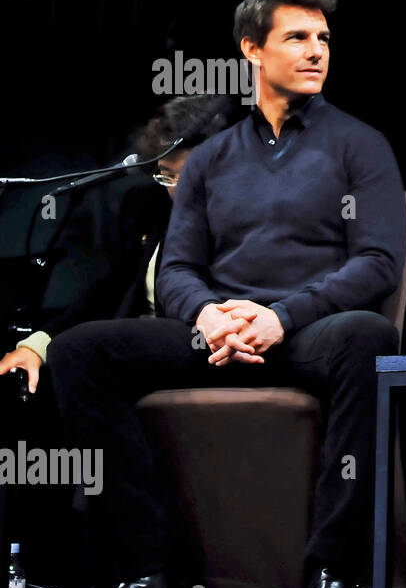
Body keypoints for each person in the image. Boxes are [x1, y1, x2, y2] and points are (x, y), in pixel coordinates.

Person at [46, 0, 406, 588]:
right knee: (78, 352)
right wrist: (210, 315)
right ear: (252, 51)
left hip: (307, 334)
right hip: (219, 335)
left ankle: (331, 573)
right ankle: (145, 573)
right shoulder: (210, 159)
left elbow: (379, 263)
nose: (316, 50)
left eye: (324, 38)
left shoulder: (361, 145)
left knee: (369, 336)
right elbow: (179, 267)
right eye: (297, 37)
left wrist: (282, 317)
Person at [0, 93, 232, 397]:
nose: (176, 190)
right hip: (141, 347)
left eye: (188, 176)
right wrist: (37, 346)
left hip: (208, 348)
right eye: (166, 176)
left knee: (77, 351)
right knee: (36, 376)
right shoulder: (154, 211)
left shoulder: (250, 218)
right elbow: (111, 288)